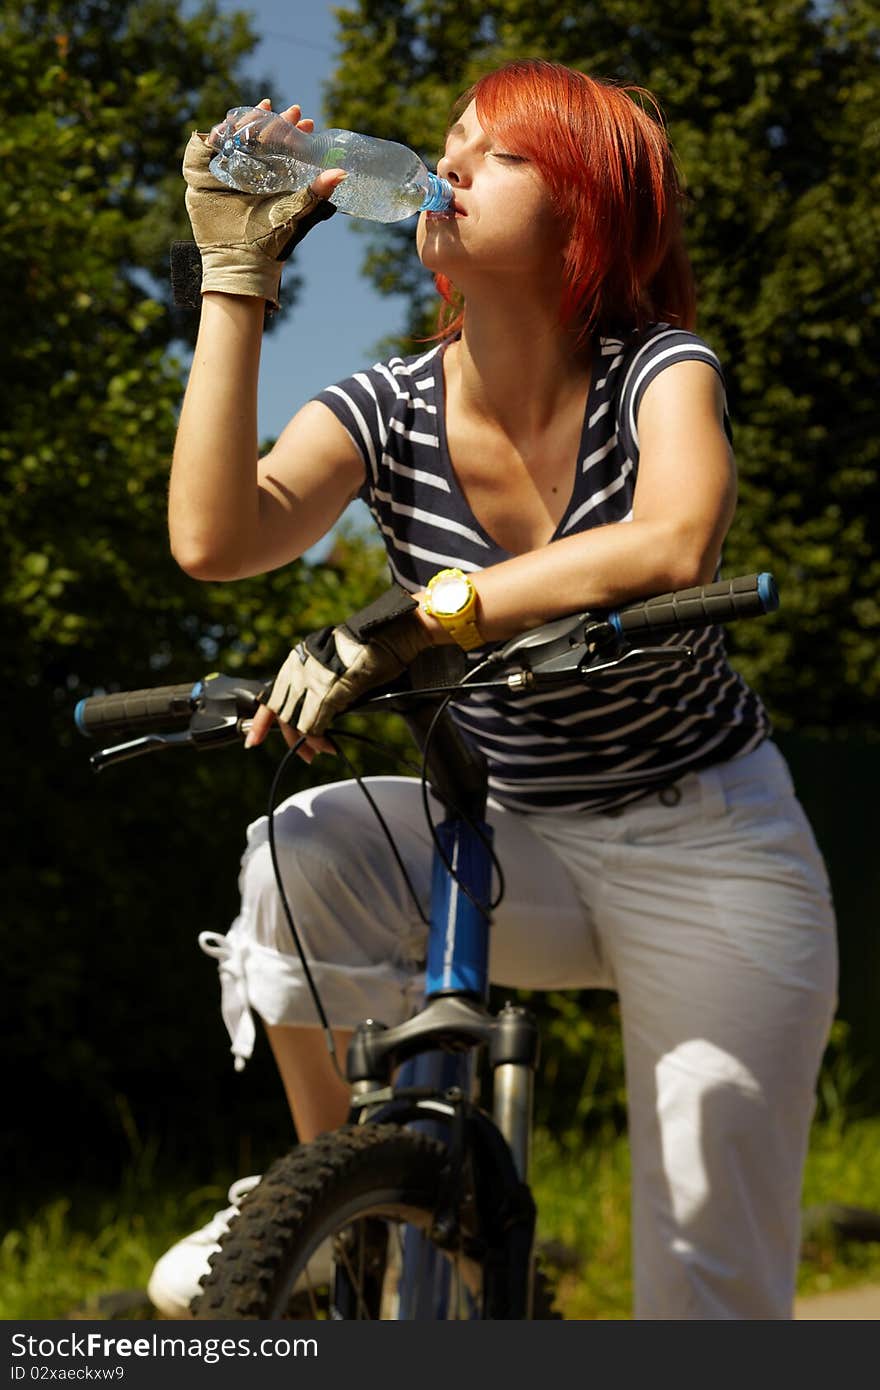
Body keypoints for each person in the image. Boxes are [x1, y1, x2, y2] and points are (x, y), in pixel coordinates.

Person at [151, 60, 837, 1320]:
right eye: (448, 140)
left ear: (585, 210)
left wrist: (417, 615)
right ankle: (335, 1208)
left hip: (706, 841)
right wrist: (237, 281)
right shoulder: (385, 404)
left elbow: (674, 536)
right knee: (296, 847)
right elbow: (215, 537)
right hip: (506, 836)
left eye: (498, 152)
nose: (446, 162)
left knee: (710, 1284)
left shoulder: (657, 367)